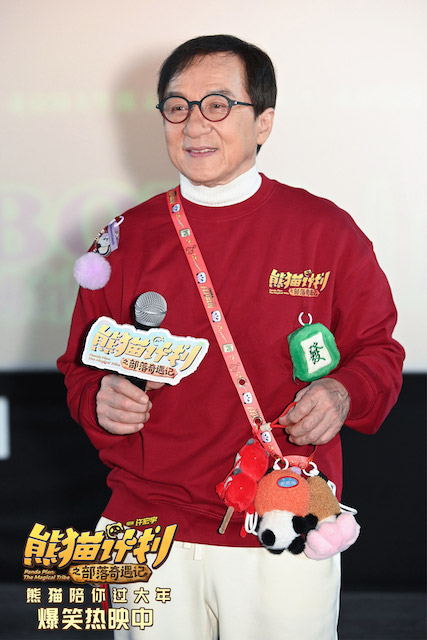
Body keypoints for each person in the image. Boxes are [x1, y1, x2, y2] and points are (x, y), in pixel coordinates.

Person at [58, 35, 404, 639]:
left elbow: (379, 350)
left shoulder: (325, 231)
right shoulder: (123, 239)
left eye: (217, 105)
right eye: (177, 106)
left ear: (263, 121)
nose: (195, 124)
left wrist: (343, 392)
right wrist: (99, 399)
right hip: (143, 526)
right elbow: (80, 368)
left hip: (283, 518)